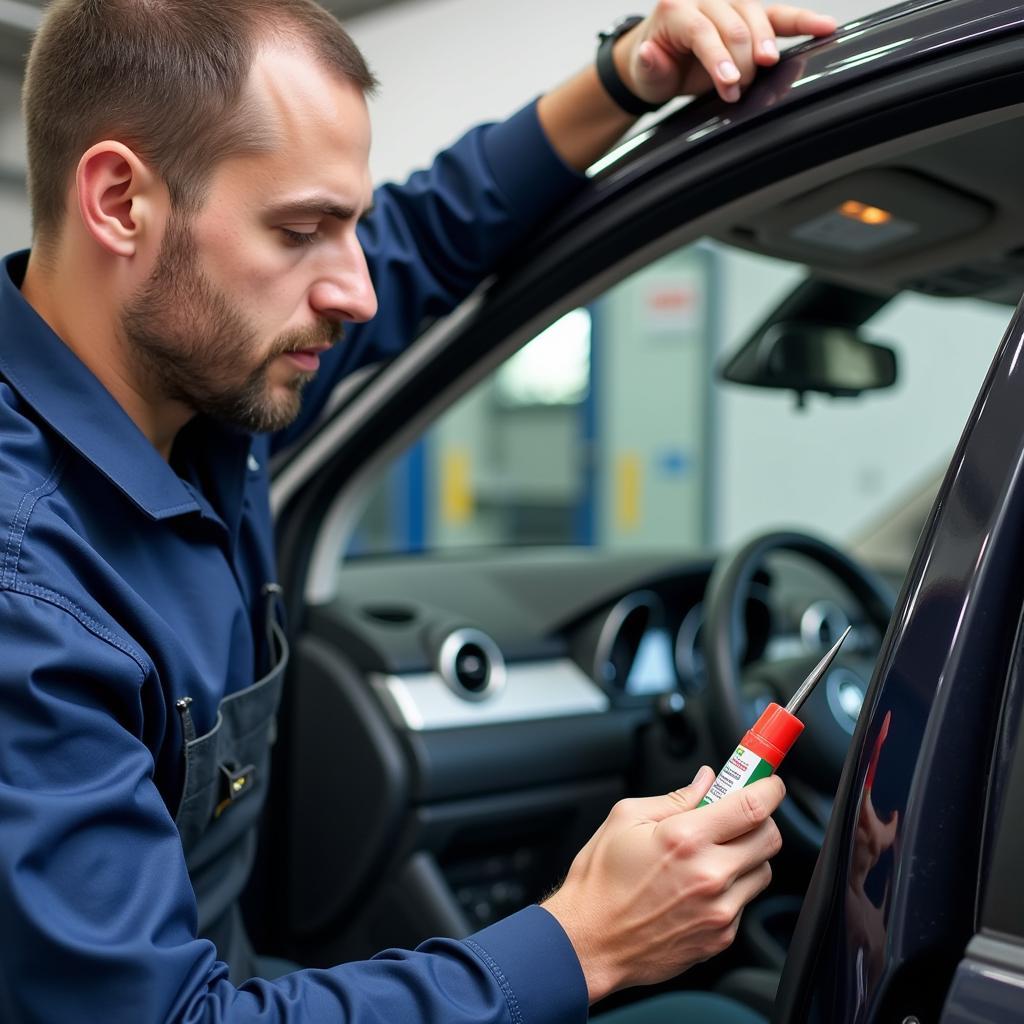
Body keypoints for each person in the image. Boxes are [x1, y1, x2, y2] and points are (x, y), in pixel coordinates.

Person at [0, 1, 836, 1021]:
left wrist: (625, 79)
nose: (353, 287)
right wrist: (581, 942)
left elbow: (425, 237)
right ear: (122, 201)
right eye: (302, 229)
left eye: (344, 224)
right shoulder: (26, 590)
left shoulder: (201, 370)